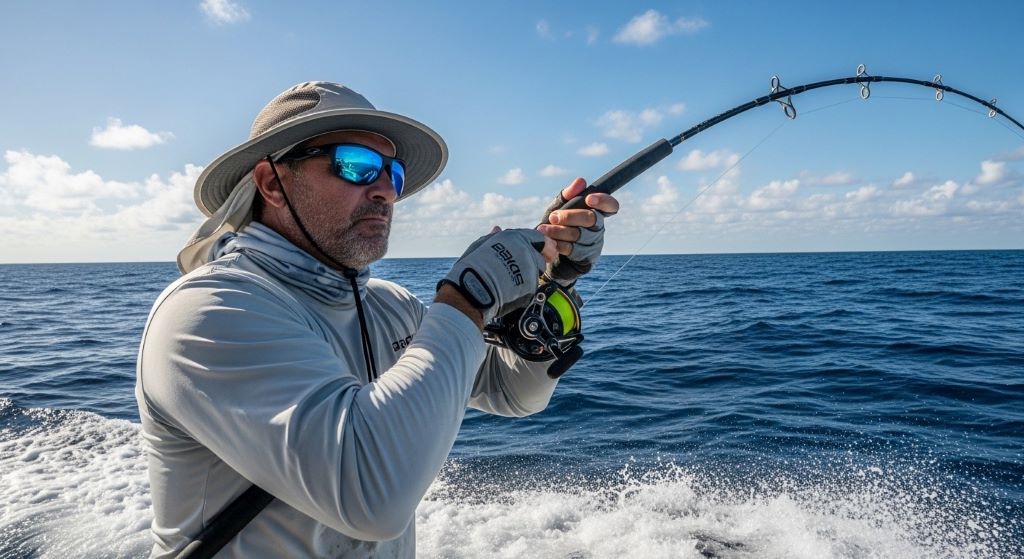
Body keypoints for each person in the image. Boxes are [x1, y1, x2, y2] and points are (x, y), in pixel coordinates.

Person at [135, 81, 619, 558]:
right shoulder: (208, 311)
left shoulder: (390, 305)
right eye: (357, 165)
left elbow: (513, 393)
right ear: (271, 183)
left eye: (394, 173)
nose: (387, 190)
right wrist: (469, 296)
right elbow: (371, 497)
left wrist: (552, 281)